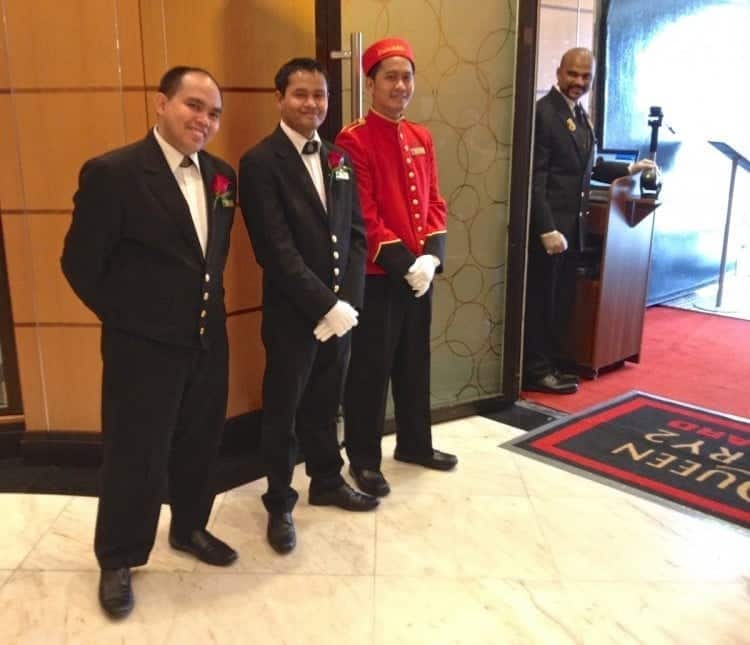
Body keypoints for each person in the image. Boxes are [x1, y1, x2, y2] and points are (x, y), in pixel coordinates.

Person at [61, 66, 238, 619]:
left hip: (209, 338)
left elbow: (211, 257)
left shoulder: (223, 177)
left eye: (213, 112)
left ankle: (188, 527)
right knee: (135, 454)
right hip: (142, 347)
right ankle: (118, 556)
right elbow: (79, 264)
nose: (203, 120)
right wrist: (131, 320)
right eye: (192, 105)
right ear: (160, 103)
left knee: (199, 443)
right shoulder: (113, 173)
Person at [238, 57, 378, 556]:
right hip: (293, 315)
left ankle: (326, 480)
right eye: (300, 94)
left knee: (325, 401)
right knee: (284, 409)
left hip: (340, 314)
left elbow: (356, 235)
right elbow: (274, 250)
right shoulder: (258, 162)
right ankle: (278, 501)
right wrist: (324, 305)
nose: (312, 104)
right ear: (279, 99)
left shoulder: (339, 158)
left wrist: (349, 305)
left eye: (320, 96)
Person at [335, 37, 458, 499]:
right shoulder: (353, 139)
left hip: (419, 272)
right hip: (378, 275)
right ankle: (364, 459)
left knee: (414, 362)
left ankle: (415, 444)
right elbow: (363, 214)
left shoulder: (421, 136)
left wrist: (432, 257)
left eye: (406, 76)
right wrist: (406, 264)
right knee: (370, 370)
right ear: (370, 83)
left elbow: (434, 202)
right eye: (390, 76)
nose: (400, 85)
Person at [524, 47, 656, 394]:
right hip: (550, 232)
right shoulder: (545, 114)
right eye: (572, 74)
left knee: (561, 301)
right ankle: (535, 370)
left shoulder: (579, 116)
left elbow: (590, 166)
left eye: (585, 77)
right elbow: (533, 178)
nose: (578, 82)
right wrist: (546, 227)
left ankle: (551, 362)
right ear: (558, 72)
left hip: (573, 230)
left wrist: (628, 169)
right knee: (542, 301)